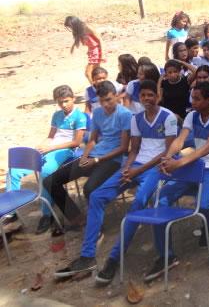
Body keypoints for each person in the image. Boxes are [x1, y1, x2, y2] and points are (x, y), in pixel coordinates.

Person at [54, 80, 178, 282]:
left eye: (150, 95)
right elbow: (134, 149)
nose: (146, 99)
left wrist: (138, 169)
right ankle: (87, 256)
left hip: (156, 167)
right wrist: (128, 167)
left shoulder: (168, 117)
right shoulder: (137, 119)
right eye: (143, 95)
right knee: (96, 196)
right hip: (136, 164)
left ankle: (113, 258)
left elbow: (167, 152)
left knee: (137, 204)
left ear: (158, 95)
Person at [143, 82, 209, 282]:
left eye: (197, 98)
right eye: (192, 97)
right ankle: (166, 255)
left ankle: (207, 227)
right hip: (195, 164)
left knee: (203, 205)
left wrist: (180, 162)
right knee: (159, 199)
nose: (192, 101)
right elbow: (180, 140)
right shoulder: (192, 115)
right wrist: (170, 156)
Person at [44, 82, 131, 231]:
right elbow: (92, 140)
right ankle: (77, 219)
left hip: (113, 160)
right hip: (94, 155)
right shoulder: (97, 113)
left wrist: (96, 160)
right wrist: (84, 156)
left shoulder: (125, 114)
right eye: (102, 101)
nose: (106, 104)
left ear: (116, 96)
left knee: (89, 188)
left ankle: (96, 226)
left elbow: (123, 148)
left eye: (109, 99)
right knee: (50, 181)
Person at [6, 85, 87, 234]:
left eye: (66, 101)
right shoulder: (56, 115)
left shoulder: (80, 116)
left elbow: (76, 142)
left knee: (45, 173)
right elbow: (51, 136)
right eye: (60, 102)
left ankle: (46, 214)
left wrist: (50, 148)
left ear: (73, 99)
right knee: (14, 169)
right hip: (50, 147)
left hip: (64, 150)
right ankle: (11, 211)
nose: (64, 105)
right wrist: (43, 145)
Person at [64, 16, 104, 84]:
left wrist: (102, 54)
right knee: (96, 72)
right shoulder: (79, 30)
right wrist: (73, 46)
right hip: (91, 50)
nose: (71, 28)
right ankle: (100, 88)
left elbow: (100, 39)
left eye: (70, 26)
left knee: (88, 73)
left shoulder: (87, 27)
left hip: (96, 50)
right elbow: (78, 38)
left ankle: (96, 89)